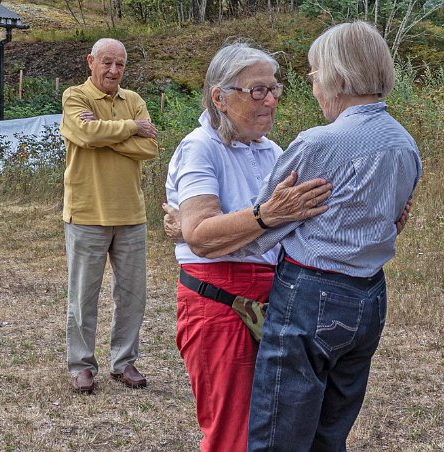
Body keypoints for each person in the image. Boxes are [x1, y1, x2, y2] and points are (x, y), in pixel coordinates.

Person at [241, 22, 422, 451]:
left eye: (314, 72)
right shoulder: (405, 143)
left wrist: (192, 232)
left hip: (311, 293)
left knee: (277, 436)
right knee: (331, 431)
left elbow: (262, 224)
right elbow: (394, 218)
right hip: (370, 296)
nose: (311, 82)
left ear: (339, 77)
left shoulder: (320, 142)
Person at [163, 42, 333, 452]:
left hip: (272, 296)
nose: (271, 99)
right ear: (220, 97)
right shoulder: (200, 147)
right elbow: (203, 235)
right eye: (257, 90)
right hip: (219, 303)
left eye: (274, 89)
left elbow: (296, 217)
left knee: (273, 428)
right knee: (232, 434)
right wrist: (264, 215)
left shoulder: (272, 150)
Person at [59, 38, 158, 394]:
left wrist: (103, 133)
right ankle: (81, 365)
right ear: (91, 61)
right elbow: (84, 133)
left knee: (132, 295)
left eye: (120, 65)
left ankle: (123, 362)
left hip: (131, 214)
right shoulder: (75, 97)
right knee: (83, 295)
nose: (113, 70)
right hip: (86, 212)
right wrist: (131, 128)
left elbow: (151, 147)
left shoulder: (134, 100)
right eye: (107, 62)